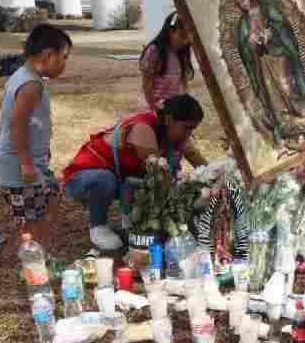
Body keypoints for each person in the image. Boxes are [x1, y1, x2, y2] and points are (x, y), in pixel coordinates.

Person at [62, 94, 208, 251]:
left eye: (192, 128)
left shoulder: (175, 132)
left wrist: (212, 175)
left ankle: (130, 226)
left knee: (142, 182)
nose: (189, 133)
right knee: (109, 179)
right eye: (186, 127)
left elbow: (200, 163)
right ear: (169, 119)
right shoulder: (143, 128)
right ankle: (98, 227)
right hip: (82, 179)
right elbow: (159, 174)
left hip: (120, 180)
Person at [0, 24, 72, 249]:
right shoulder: (31, 85)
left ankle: (41, 252)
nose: (65, 64)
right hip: (20, 168)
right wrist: (26, 162)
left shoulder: (19, 76)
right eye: (64, 57)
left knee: (51, 195)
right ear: (48, 55)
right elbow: (17, 124)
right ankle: (35, 262)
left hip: (28, 164)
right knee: (31, 222)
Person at [231, 0, 305, 148]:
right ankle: (287, 124)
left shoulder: (267, 9)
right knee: (272, 93)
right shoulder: (244, 23)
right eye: (239, 2)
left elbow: (283, 26)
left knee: (287, 86)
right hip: (261, 61)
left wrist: (272, 32)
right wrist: (250, 42)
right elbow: (243, 47)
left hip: (278, 55)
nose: (243, 4)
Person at [140, 11, 195, 111]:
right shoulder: (154, 51)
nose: (185, 42)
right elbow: (146, 84)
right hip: (160, 109)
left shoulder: (181, 54)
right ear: (170, 31)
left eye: (188, 38)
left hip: (177, 109)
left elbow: (183, 83)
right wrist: (155, 108)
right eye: (183, 36)